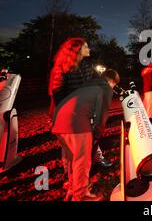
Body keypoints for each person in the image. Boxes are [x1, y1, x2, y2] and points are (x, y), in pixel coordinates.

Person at [52, 69, 119, 201]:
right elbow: (102, 116)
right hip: (75, 122)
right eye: (114, 85)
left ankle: (73, 187)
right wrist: (97, 134)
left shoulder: (90, 84)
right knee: (82, 160)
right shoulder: (105, 88)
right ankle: (81, 195)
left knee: (73, 159)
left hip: (59, 119)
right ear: (112, 81)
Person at [48, 37, 112, 169]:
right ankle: (70, 172)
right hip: (70, 114)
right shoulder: (62, 69)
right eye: (86, 47)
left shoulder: (86, 65)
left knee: (91, 136)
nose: (89, 49)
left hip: (86, 110)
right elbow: (58, 95)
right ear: (77, 50)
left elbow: (95, 81)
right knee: (71, 147)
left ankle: (96, 158)